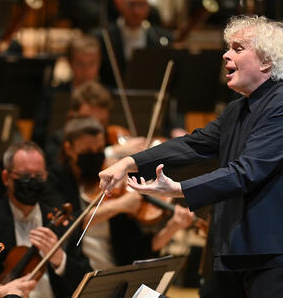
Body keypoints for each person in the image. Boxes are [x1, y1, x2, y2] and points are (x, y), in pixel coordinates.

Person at [99, 15, 283, 298]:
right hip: (254, 250)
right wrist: (129, 161)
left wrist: (179, 190)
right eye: (228, 48)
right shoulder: (239, 108)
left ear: (265, 62)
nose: (226, 55)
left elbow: (247, 171)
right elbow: (194, 144)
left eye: (238, 48)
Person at [0, 141, 91, 298]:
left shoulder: (62, 222)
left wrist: (60, 260)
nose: (32, 181)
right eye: (24, 175)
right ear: (6, 178)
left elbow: (84, 280)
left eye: (38, 175)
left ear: (46, 176)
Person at [48, 116, 195, 270]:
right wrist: (118, 206)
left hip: (112, 272)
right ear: (69, 149)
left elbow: (137, 249)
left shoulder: (112, 184)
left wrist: (172, 227)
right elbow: (67, 224)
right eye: (87, 151)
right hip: (72, 275)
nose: (95, 156)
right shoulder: (54, 180)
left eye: (99, 149)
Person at [92, 0, 172, 88]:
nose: (136, 12)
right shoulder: (102, 38)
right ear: (118, 4)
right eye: (131, 5)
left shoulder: (163, 39)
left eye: (141, 5)